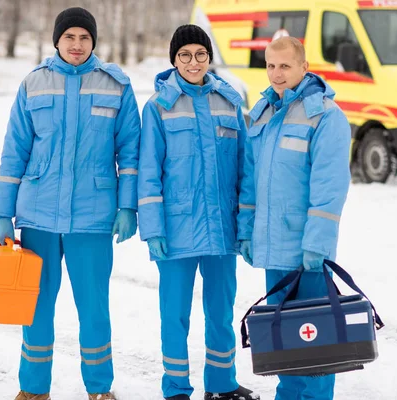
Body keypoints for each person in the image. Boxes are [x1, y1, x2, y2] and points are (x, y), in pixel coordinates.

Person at [0, 7, 140, 400]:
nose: (77, 45)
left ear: (94, 42)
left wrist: (128, 206)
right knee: (36, 309)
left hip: (93, 218)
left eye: (85, 38)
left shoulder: (116, 85)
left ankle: (99, 389)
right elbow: (14, 152)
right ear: (57, 40)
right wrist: (3, 212)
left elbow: (131, 153)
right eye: (70, 37)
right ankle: (34, 389)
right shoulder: (34, 84)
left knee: (94, 309)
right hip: (38, 215)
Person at [137, 24, 259, 400]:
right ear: (174, 59)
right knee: (174, 315)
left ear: (210, 58)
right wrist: (153, 228)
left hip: (221, 229)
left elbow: (246, 169)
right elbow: (148, 173)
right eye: (185, 55)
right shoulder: (158, 106)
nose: (194, 62)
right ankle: (175, 389)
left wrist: (245, 224)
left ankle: (221, 385)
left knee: (221, 311)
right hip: (176, 229)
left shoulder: (230, 101)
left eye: (201, 54)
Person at [237, 36, 351, 400]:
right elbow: (251, 181)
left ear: (304, 67)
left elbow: (329, 187)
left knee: (316, 346)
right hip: (274, 250)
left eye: (285, 66)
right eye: (270, 65)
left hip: (308, 253)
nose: (276, 73)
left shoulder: (326, 116)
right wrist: (246, 232)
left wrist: (317, 243)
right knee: (285, 342)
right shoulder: (263, 114)